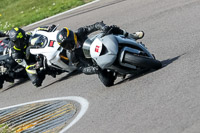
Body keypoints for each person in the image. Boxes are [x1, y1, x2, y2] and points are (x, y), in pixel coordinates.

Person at [56, 21, 144, 86]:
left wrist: (103, 27)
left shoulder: (80, 32)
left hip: (98, 45)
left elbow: (95, 26)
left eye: (68, 43)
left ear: (71, 37)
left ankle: (132, 36)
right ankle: (118, 71)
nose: (68, 46)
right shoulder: (71, 55)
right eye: (65, 45)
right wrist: (93, 69)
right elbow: (81, 68)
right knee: (107, 83)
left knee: (112, 28)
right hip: (95, 63)